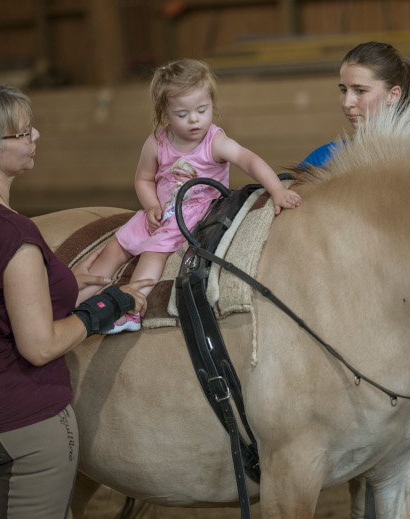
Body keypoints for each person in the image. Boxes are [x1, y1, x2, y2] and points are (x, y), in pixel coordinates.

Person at [0, 82, 153, 519]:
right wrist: (105, 306)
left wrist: (63, 285)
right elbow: (39, 346)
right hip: (24, 423)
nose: (36, 137)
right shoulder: (13, 234)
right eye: (24, 132)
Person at [299, 42, 410, 519]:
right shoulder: (330, 159)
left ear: (394, 94)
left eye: (360, 90)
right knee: (365, 508)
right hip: (361, 351)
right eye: (342, 90)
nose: (347, 102)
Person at [77, 58, 302, 333]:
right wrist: (151, 205)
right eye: (182, 114)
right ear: (165, 112)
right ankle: (76, 302)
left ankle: (132, 309)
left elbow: (249, 160)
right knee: (116, 247)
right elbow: (143, 179)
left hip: (196, 213)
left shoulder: (214, 141)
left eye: (202, 110)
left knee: (153, 252)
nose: (194, 119)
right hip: (161, 211)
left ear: (212, 105)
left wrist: (277, 190)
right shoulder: (157, 142)